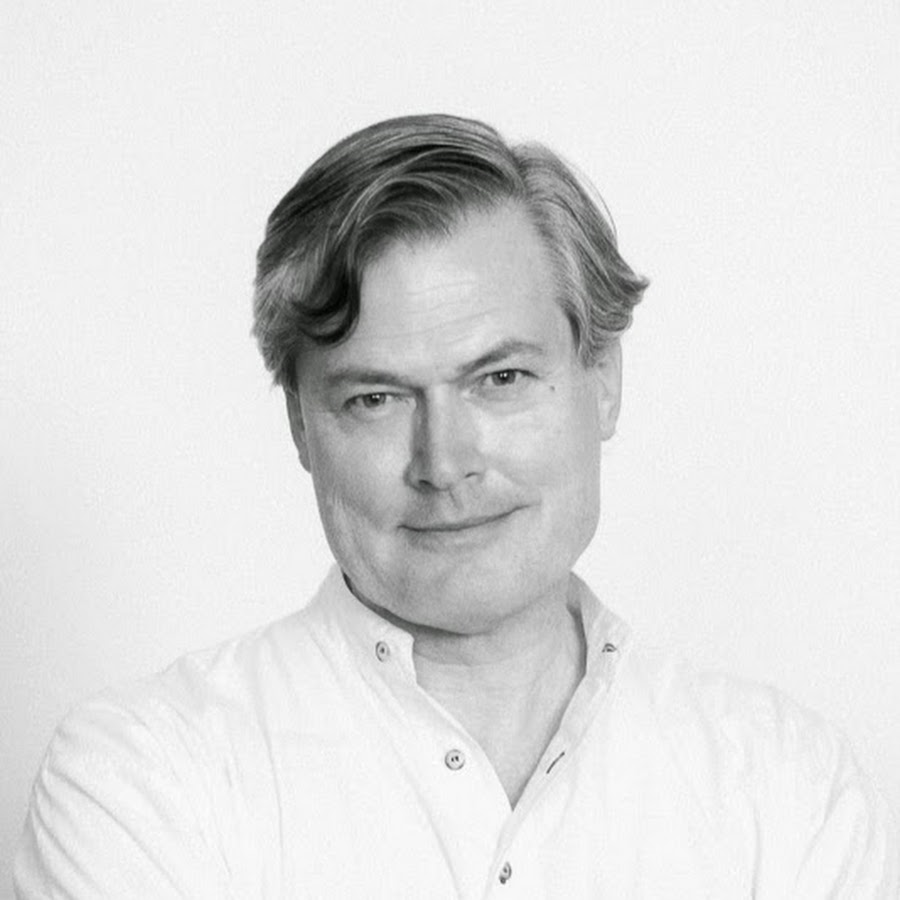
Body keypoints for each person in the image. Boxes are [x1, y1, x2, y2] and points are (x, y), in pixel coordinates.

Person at [14, 114, 897, 898]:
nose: (445, 464)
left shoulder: (788, 786)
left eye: (500, 379)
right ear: (299, 425)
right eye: (376, 398)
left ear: (603, 380)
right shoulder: (144, 777)